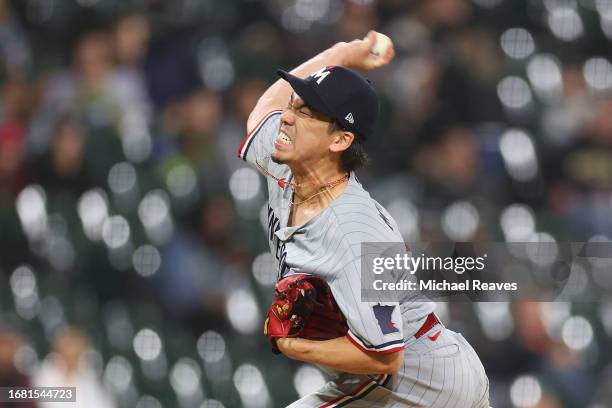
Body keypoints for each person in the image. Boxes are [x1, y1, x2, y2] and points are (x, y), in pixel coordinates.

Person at [237, 31, 490, 407]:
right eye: (293, 104)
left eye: (305, 112)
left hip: (422, 380)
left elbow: (386, 355)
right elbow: (263, 111)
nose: (286, 118)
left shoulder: (354, 233)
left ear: (339, 141)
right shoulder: (288, 164)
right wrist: (342, 54)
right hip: (415, 370)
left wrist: (294, 346)